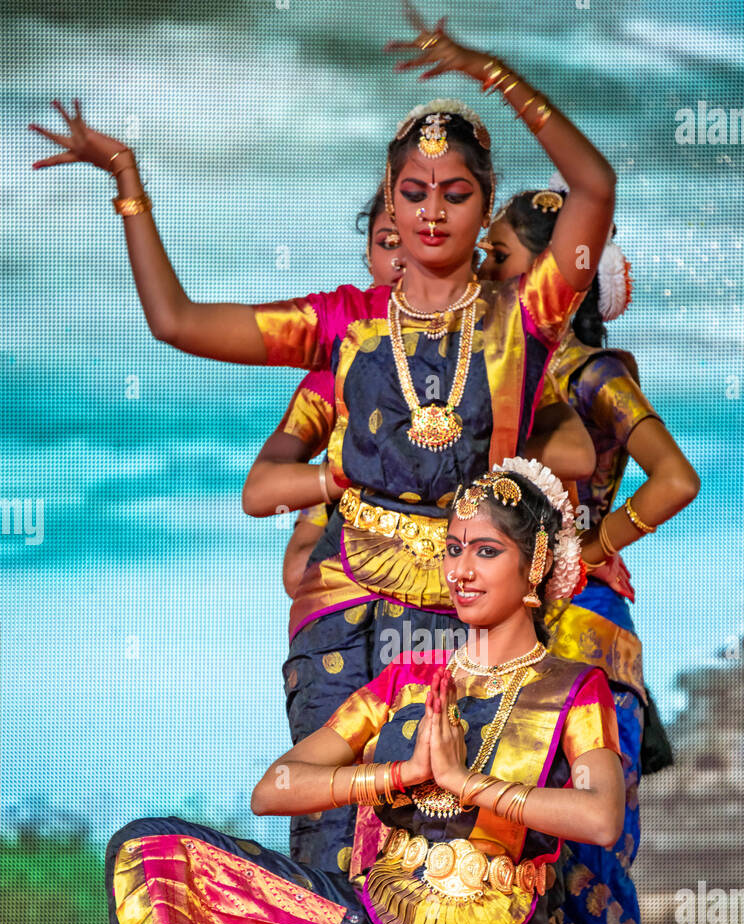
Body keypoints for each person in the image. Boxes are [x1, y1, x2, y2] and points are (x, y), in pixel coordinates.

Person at [30, 9, 613, 873]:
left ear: (484, 203)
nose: (431, 211)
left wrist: (493, 72)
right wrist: (127, 179)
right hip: (350, 603)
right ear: (387, 199)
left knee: (457, 840)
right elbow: (178, 321)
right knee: (338, 840)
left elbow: (593, 189)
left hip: (470, 601)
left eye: (455, 194)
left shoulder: (520, 320)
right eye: (411, 192)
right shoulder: (342, 325)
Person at [88, 460, 673, 924]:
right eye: (452, 549)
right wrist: (390, 777)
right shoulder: (407, 680)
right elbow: (274, 787)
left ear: (536, 560)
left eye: (486, 551)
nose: (460, 570)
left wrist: (466, 784)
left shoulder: (571, 686)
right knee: (146, 853)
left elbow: (598, 817)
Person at [481, 189, 701, 924]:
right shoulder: (495, 377)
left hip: (581, 633)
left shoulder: (588, 376)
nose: (483, 271)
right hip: (517, 628)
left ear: (558, 277)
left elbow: (674, 479)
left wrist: (584, 543)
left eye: (498, 257)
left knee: (584, 857)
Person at [244, 186, 407, 601]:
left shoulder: (494, 352)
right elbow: (261, 493)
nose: (403, 260)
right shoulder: (340, 372)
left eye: (423, 240)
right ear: (369, 258)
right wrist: (344, 478)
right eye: (388, 244)